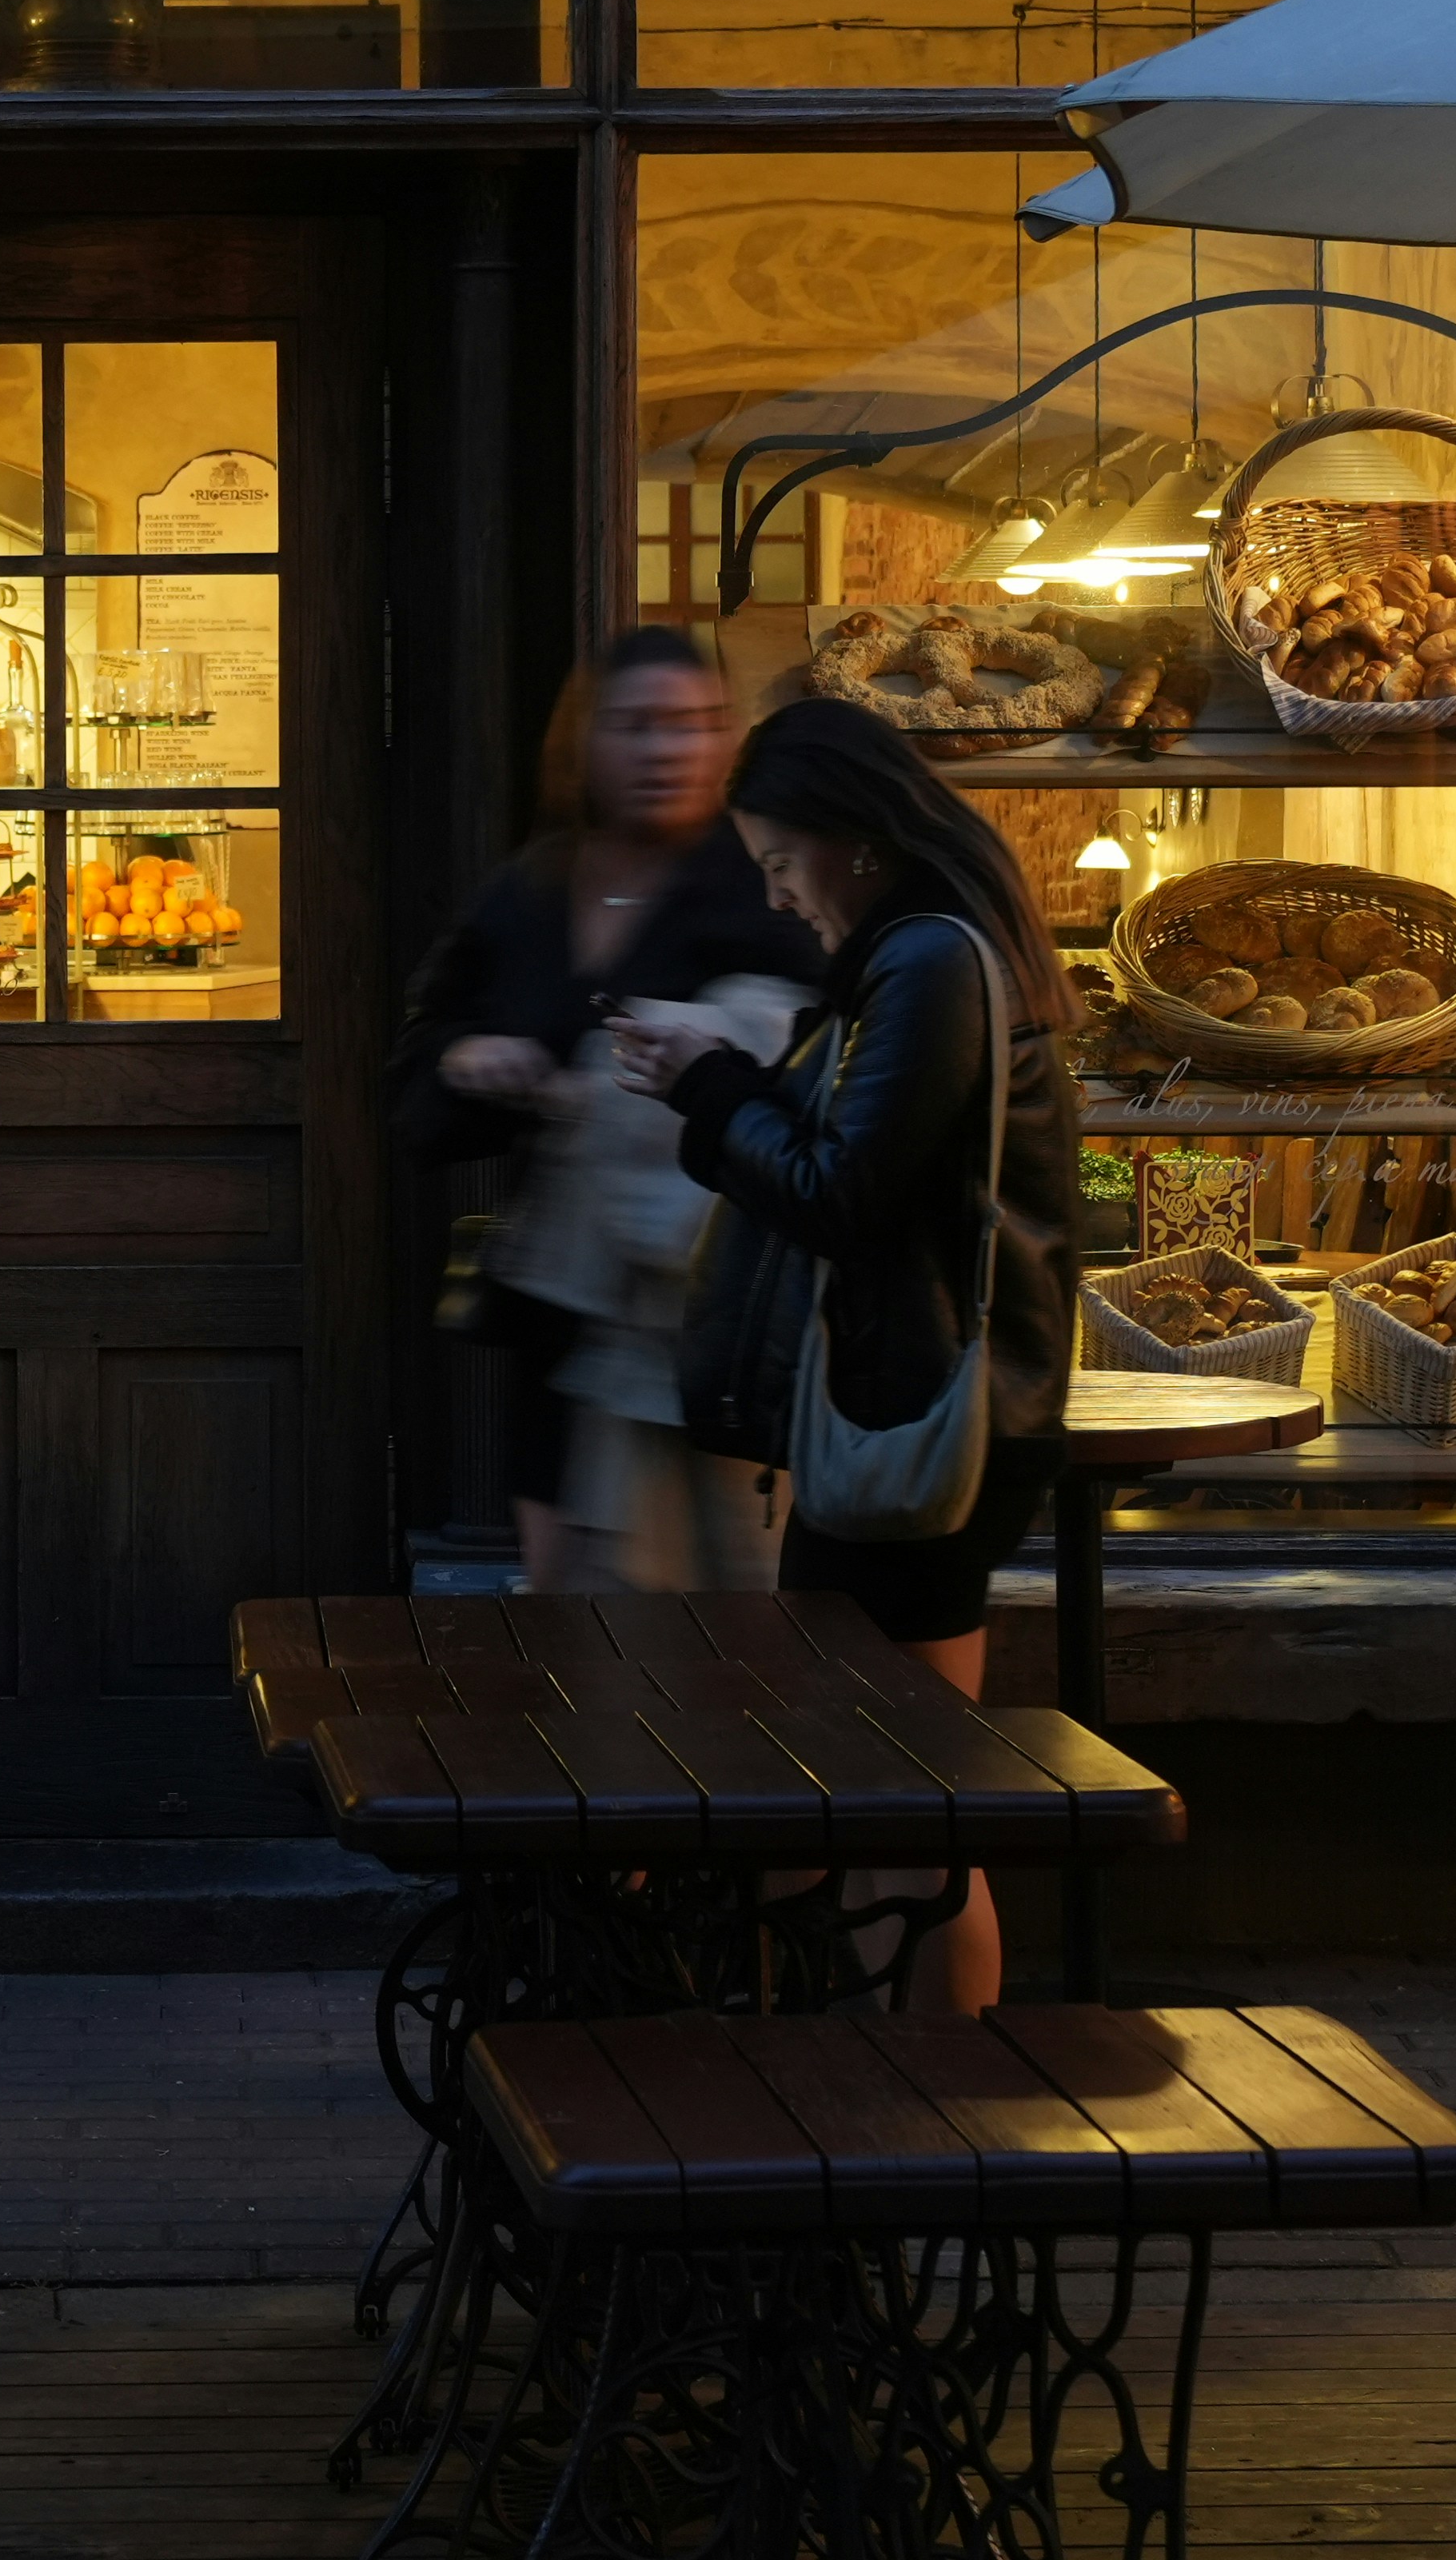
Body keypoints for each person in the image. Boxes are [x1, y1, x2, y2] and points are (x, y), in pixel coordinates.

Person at [608, 694, 1082, 2008]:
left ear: (851, 840)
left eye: (775, 863)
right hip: (904, 1406)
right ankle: (905, 2119)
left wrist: (709, 1087)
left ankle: (934, 2128)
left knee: (903, 1811)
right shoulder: (921, 952)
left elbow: (840, 1191)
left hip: (911, 1418)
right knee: (886, 1794)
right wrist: (732, 1073)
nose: (772, 898)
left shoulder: (927, 958)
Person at [387, 631, 810, 1591]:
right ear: (586, 742)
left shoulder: (768, 883)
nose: (671, 751)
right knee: (587, 1628)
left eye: (697, 726)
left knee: (737, 1621)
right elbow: (421, 1062)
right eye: (642, 726)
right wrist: (468, 1059)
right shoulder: (530, 891)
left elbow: (827, 1075)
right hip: (565, 1321)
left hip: (725, 1326)